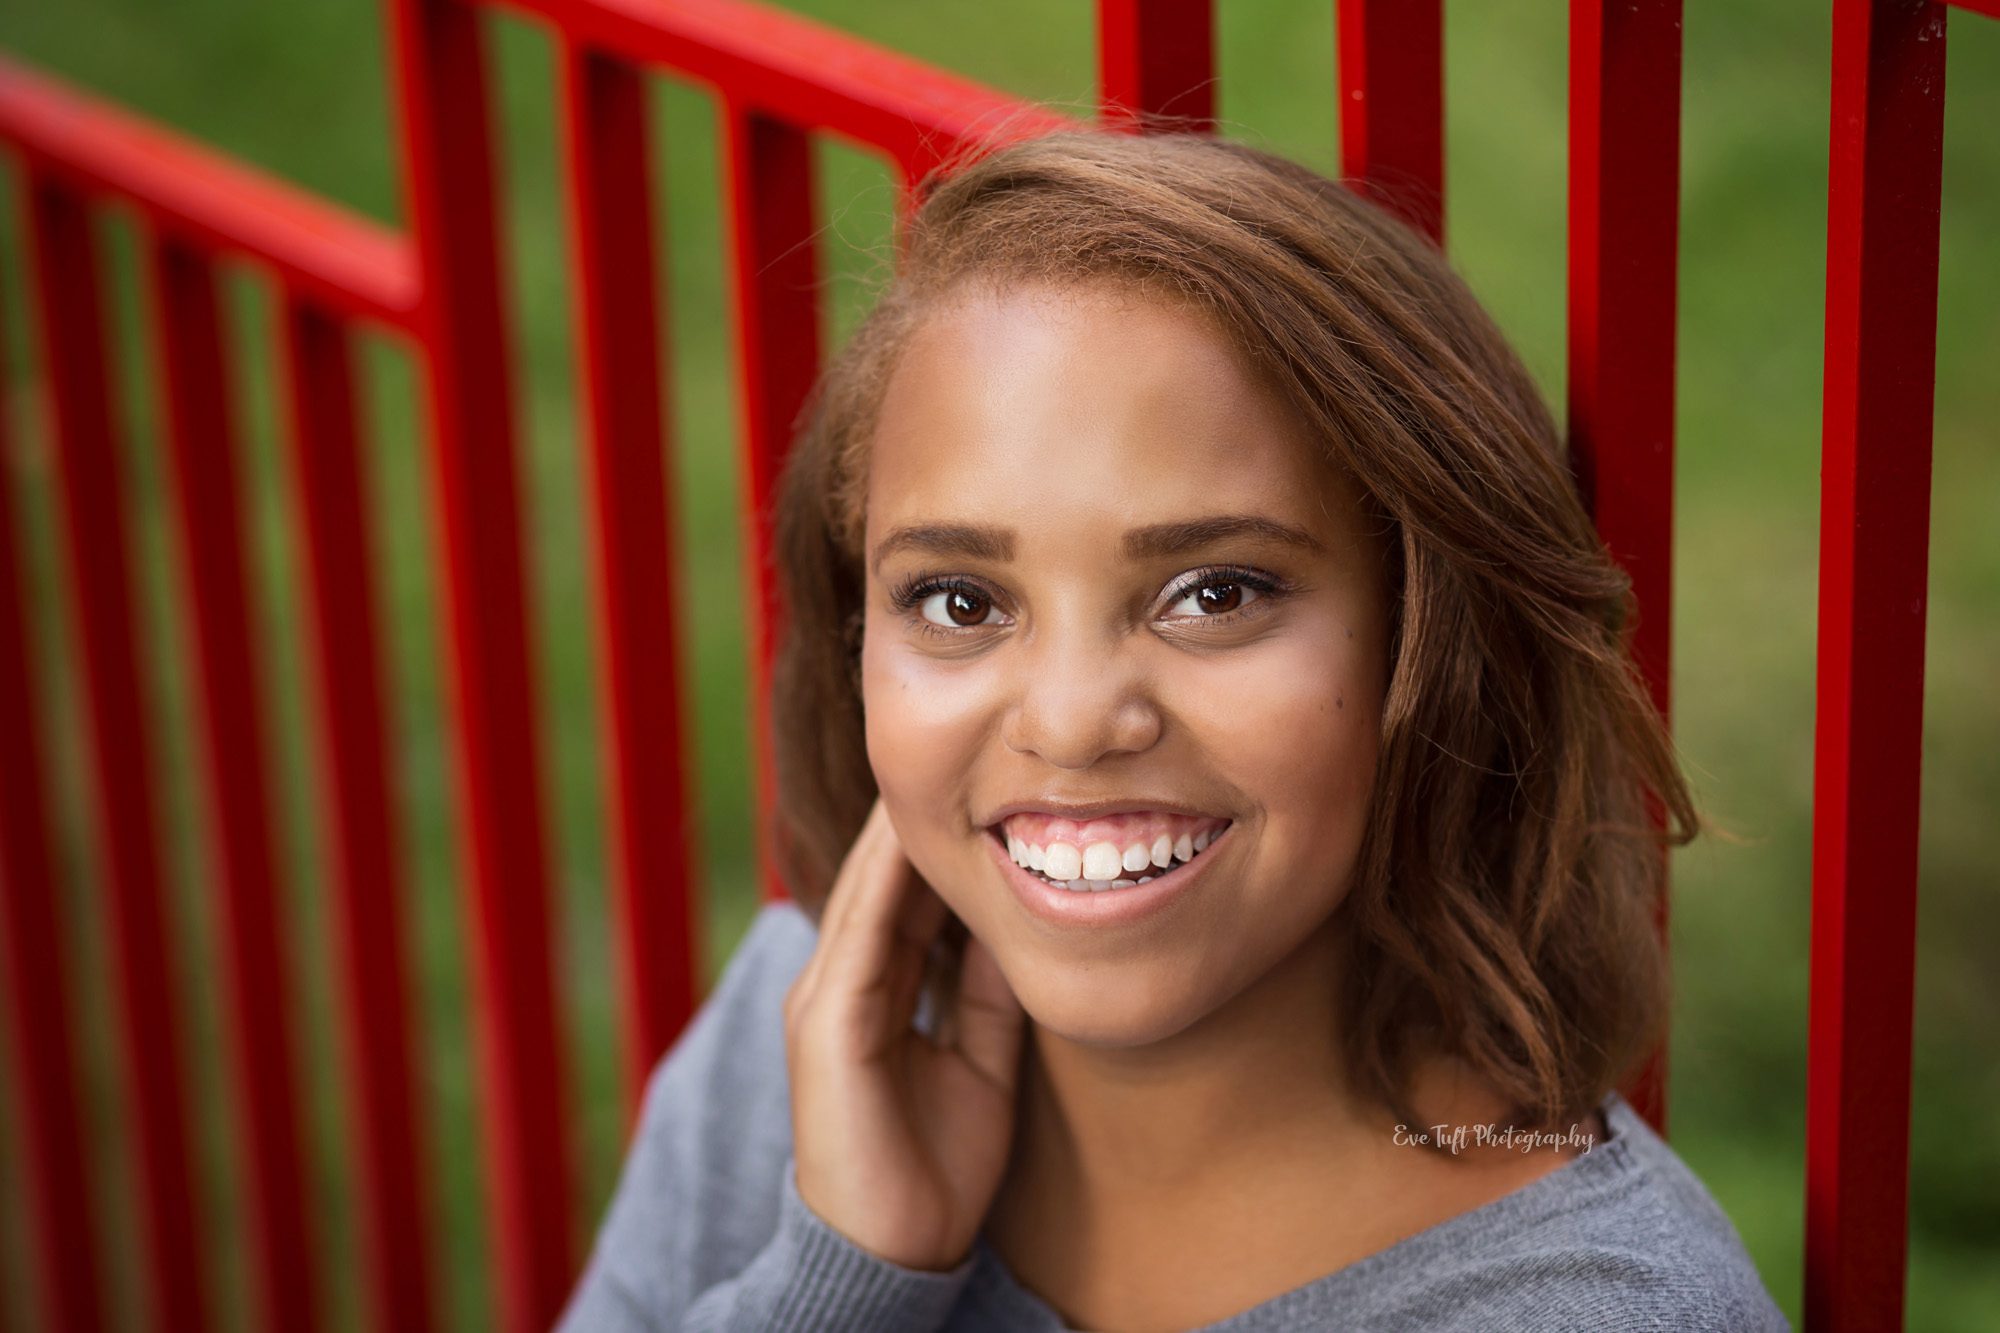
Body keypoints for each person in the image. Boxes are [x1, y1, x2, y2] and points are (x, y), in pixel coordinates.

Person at [556, 126, 1790, 1331]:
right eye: (960, 600)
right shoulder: (809, 1027)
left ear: (1431, 634)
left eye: (1214, 593)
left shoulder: (1597, 1307)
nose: (1074, 719)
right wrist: (842, 1274)